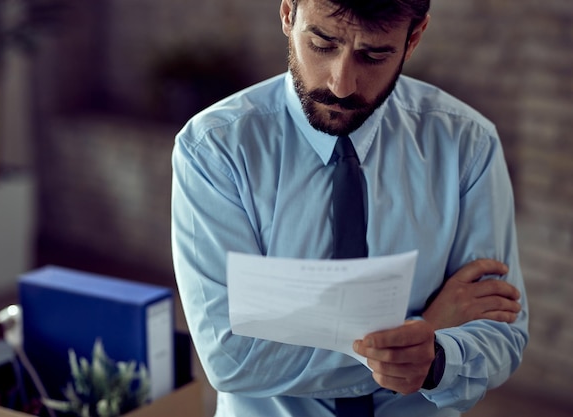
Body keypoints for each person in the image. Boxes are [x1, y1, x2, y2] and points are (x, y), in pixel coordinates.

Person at [170, 0, 529, 416]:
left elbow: (502, 331)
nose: (342, 84)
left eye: (374, 55)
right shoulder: (215, 149)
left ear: (414, 38)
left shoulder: (467, 145)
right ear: (288, 14)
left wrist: (436, 358)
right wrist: (426, 331)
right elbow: (231, 360)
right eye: (322, 44)